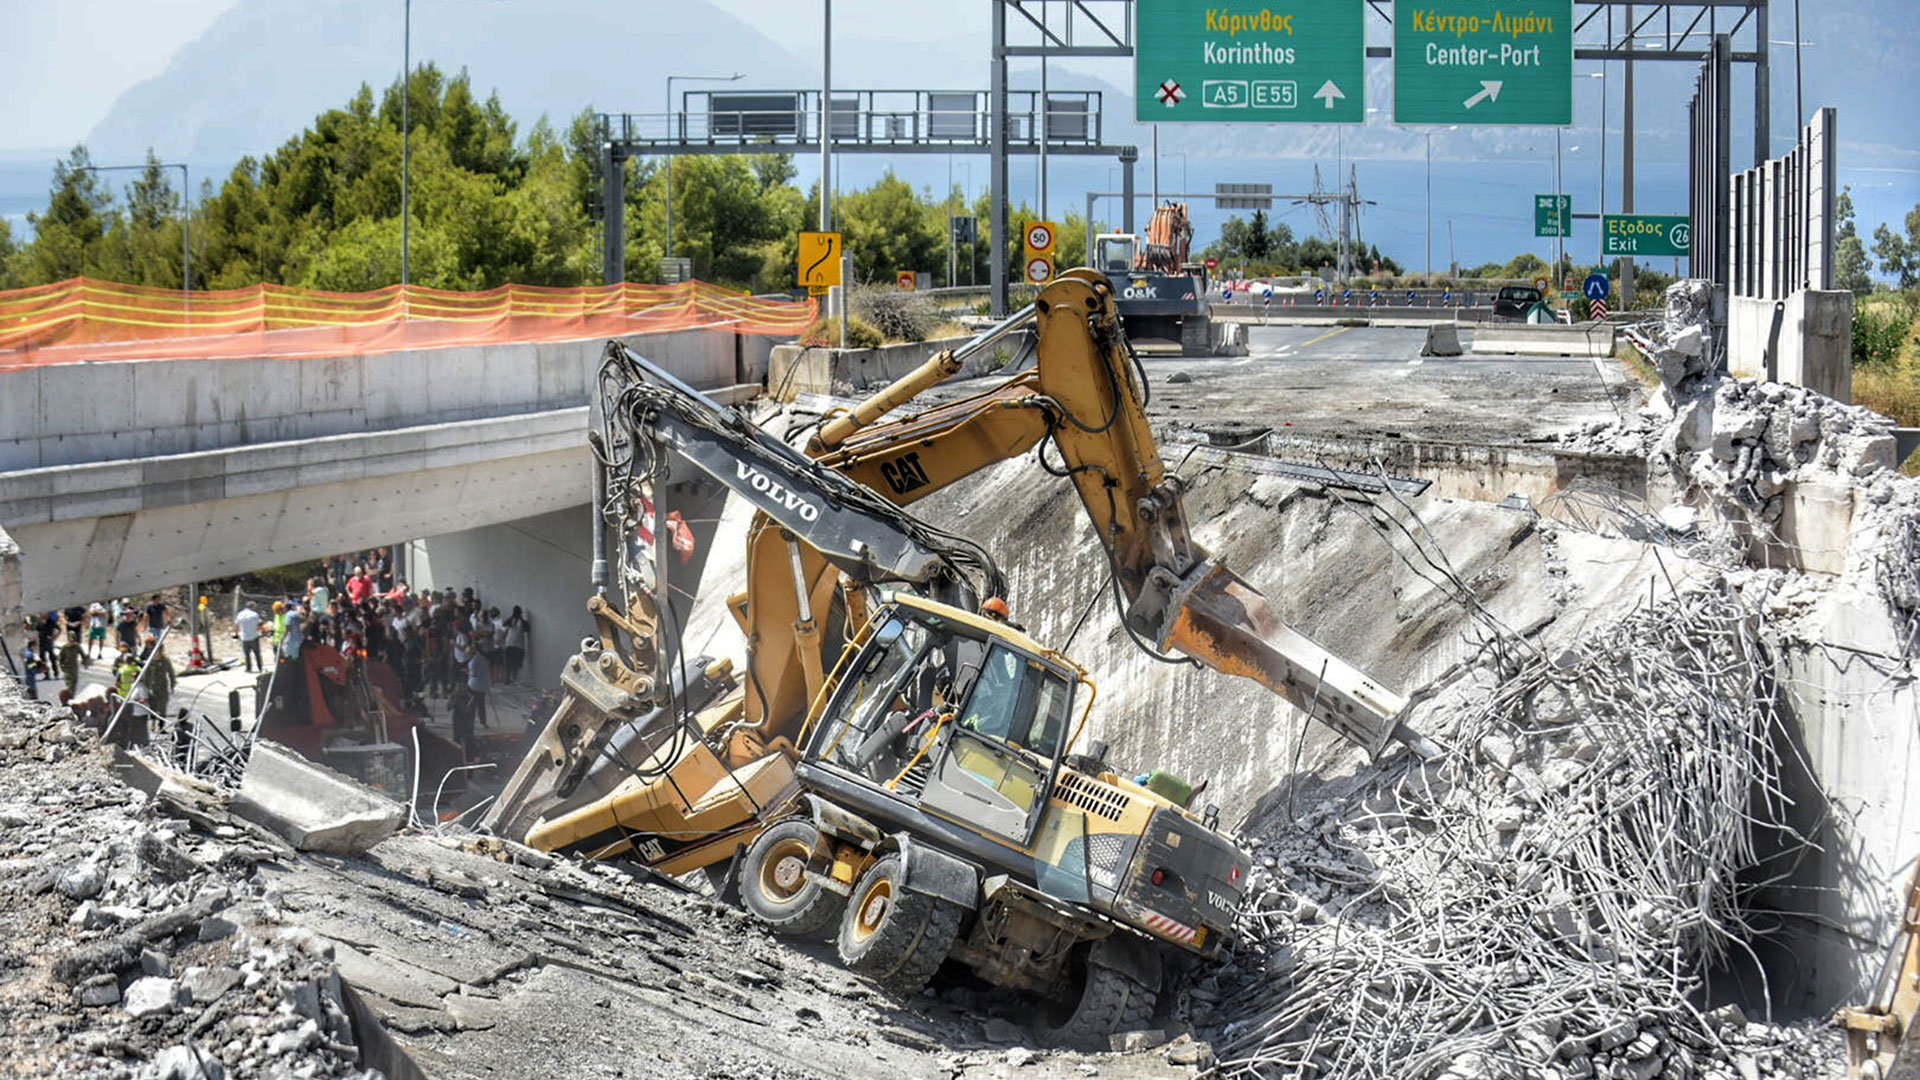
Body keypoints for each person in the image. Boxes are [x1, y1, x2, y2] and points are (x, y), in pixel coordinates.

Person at [140, 636, 176, 718]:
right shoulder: (150, 661)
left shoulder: (165, 661)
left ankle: (161, 726)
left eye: (159, 650)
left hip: (163, 687)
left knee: (163, 708)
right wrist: (146, 688)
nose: (157, 652)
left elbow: (171, 674)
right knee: (153, 708)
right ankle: (153, 725)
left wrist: (172, 685)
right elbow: (146, 675)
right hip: (152, 688)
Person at [234, 601, 265, 673]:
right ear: (252, 607)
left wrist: (237, 634)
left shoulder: (240, 614)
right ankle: (260, 667)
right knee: (257, 653)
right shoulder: (254, 615)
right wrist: (262, 632)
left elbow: (236, 625)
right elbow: (259, 624)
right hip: (254, 636)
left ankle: (248, 668)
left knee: (247, 654)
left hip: (244, 637)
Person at [502, 606, 530, 684]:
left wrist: (520, 618)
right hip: (510, 644)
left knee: (517, 663)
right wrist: (512, 618)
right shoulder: (511, 621)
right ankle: (507, 678)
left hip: (519, 645)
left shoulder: (522, 622)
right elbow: (504, 624)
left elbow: (527, 629)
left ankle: (514, 678)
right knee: (508, 663)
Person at [467, 647, 491, 730]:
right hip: (482, 685)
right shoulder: (484, 660)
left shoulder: (473, 661)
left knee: (472, 705)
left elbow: (473, 674)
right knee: (481, 705)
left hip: (473, 685)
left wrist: (467, 672)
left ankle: (470, 723)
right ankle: (483, 722)